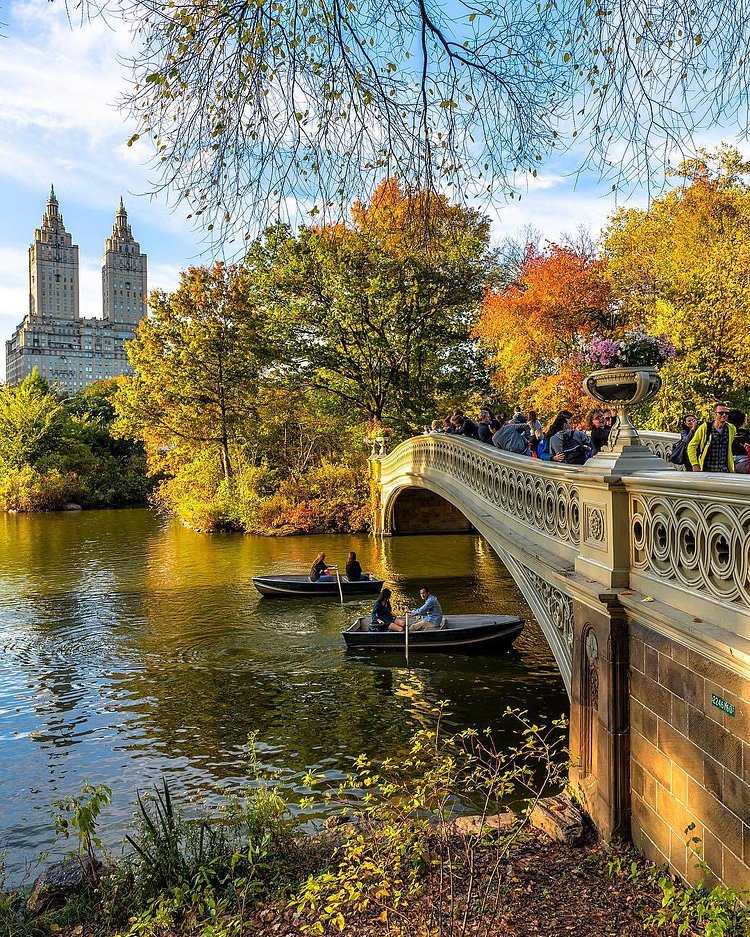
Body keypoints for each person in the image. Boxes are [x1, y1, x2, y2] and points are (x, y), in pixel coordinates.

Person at [688, 403, 736, 473]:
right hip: (707, 468)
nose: (724, 415)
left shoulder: (731, 428)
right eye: (721, 413)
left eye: (727, 413)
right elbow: (692, 446)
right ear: (714, 414)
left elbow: (730, 447)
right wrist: (694, 464)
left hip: (724, 469)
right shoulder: (705, 427)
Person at [728, 409, 750, 473]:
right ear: (743, 422)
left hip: (729, 464)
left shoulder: (726, 434)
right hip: (745, 465)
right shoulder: (746, 436)